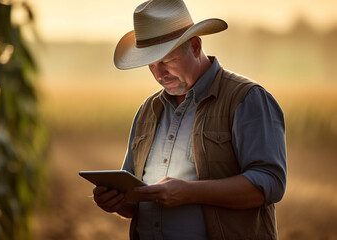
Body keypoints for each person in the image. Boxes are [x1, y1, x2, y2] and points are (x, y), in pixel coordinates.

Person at [92, 0, 287, 239]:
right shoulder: (147, 110)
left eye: (166, 60)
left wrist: (190, 193)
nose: (159, 74)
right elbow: (135, 200)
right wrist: (115, 202)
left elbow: (270, 182)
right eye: (151, 65)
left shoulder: (247, 99)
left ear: (195, 46)